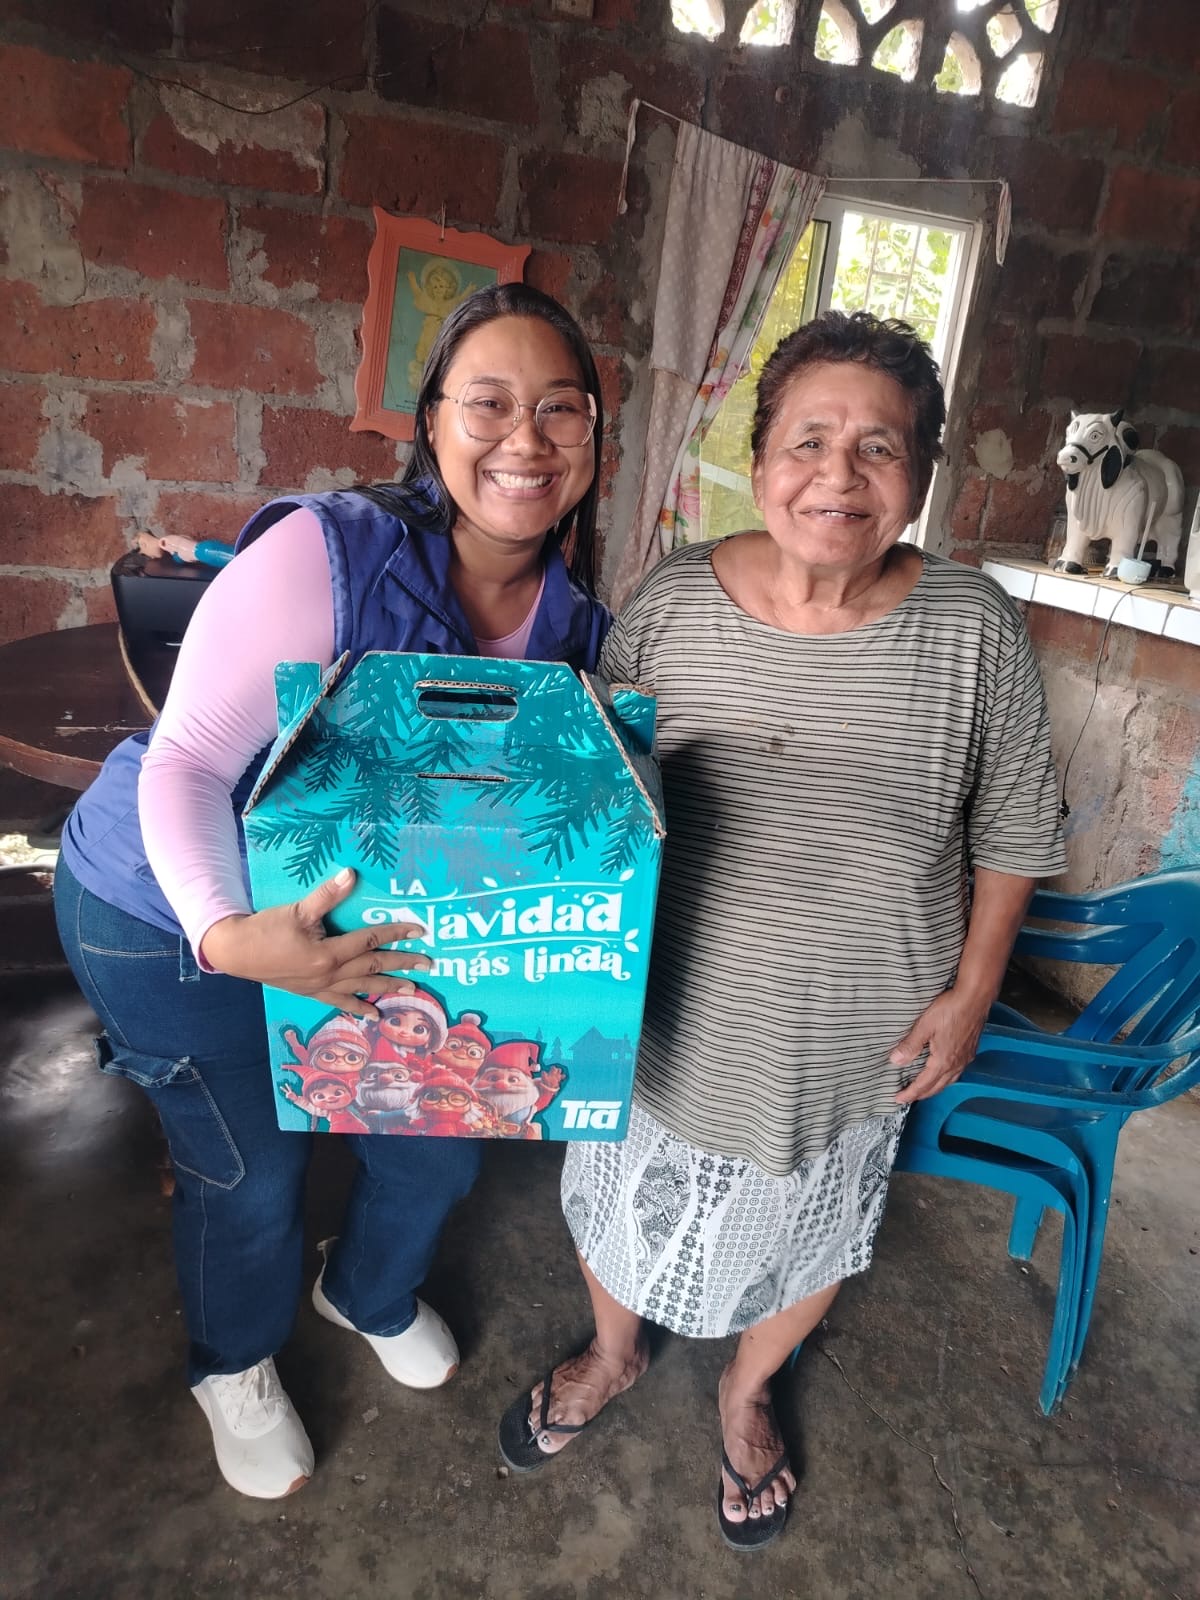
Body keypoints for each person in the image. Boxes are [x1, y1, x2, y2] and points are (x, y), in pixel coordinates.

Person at [497, 310, 1067, 1550]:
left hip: (858, 1024)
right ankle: (613, 1350)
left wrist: (974, 991)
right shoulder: (673, 601)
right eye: (809, 439)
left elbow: (1019, 821)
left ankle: (747, 1391)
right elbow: (598, 792)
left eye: (879, 446)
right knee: (614, 1200)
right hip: (666, 1007)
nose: (838, 475)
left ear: (920, 474)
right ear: (758, 463)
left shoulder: (974, 629)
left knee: (817, 1224)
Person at [54, 283, 609, 1500]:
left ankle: (362, 1288)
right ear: (432, 421)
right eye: (489, 403)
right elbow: (190, 763)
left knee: (438, 1140)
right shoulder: (330, 554)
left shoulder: (575, 625)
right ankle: (234, 1362)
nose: (525, 439)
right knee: (250, 1174)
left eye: (560, 408)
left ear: (593, 435)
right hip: (173, 909)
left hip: (370, 929)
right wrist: (228, 934)